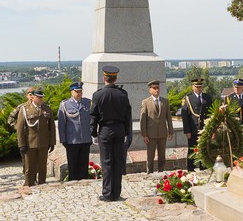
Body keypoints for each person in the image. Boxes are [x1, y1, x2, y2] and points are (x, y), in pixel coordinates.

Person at [89, 65, 132, 201]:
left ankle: (108, 193)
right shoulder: (123, 94)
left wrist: (93, 133)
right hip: (119, 130)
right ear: (116, 78)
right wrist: (127, 132)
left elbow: (93, 116)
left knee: (107, 162)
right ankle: (116, 193)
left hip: (105, 130)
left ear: (104, 78)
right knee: (118, 162)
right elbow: (128, 115)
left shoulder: (98, 95)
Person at [16, 89, 56, 186]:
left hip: (43, 143)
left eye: (42, 97)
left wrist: (52, 142)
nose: (41, 99)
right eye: (38, 97)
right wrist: (21, 144)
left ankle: (42, 185)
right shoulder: (25, 109)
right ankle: (29, 185)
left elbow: (52, 127)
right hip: (30, 143)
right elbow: (20, 128)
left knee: (42, 167)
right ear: (33, 97)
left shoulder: (47, 109)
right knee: (29, 167)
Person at [57, 82, 92, 181]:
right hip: (72, 140)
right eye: (77, 92)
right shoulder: (65, 104)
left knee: (84, 164)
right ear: (72, 92)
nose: (79, 93)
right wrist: (63, 140)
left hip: (85, 139)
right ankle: (73, 182)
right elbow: (61, 124)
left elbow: (92, 120)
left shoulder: (88, 103)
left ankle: (84, 182)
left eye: (80, 91)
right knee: (73, 165)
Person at [139, 80, 174, 173]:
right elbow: (143, 120)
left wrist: (171, 131)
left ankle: (161, 171)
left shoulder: (165, 101)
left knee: (162, 155)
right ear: (150, 90)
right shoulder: (145, 102)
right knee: (150, 156)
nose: (156, 90)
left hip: (162, 133)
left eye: (157, 88)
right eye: (154, 88)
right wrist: (144, 135)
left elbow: (169, 118)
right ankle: (149, 172)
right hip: (151, 134)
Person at [181, 78, 212, 171]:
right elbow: (185, 116)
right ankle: (191, 168)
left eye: (200, 86)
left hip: (205, 128)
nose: (199, 88)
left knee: (204, 148)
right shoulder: (188, 98)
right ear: (192, 87)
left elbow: (211, 113)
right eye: (197, 86)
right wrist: (187, 131)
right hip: (193, 128)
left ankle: (204, 166)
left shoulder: (207, 97)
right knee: (192, 149)